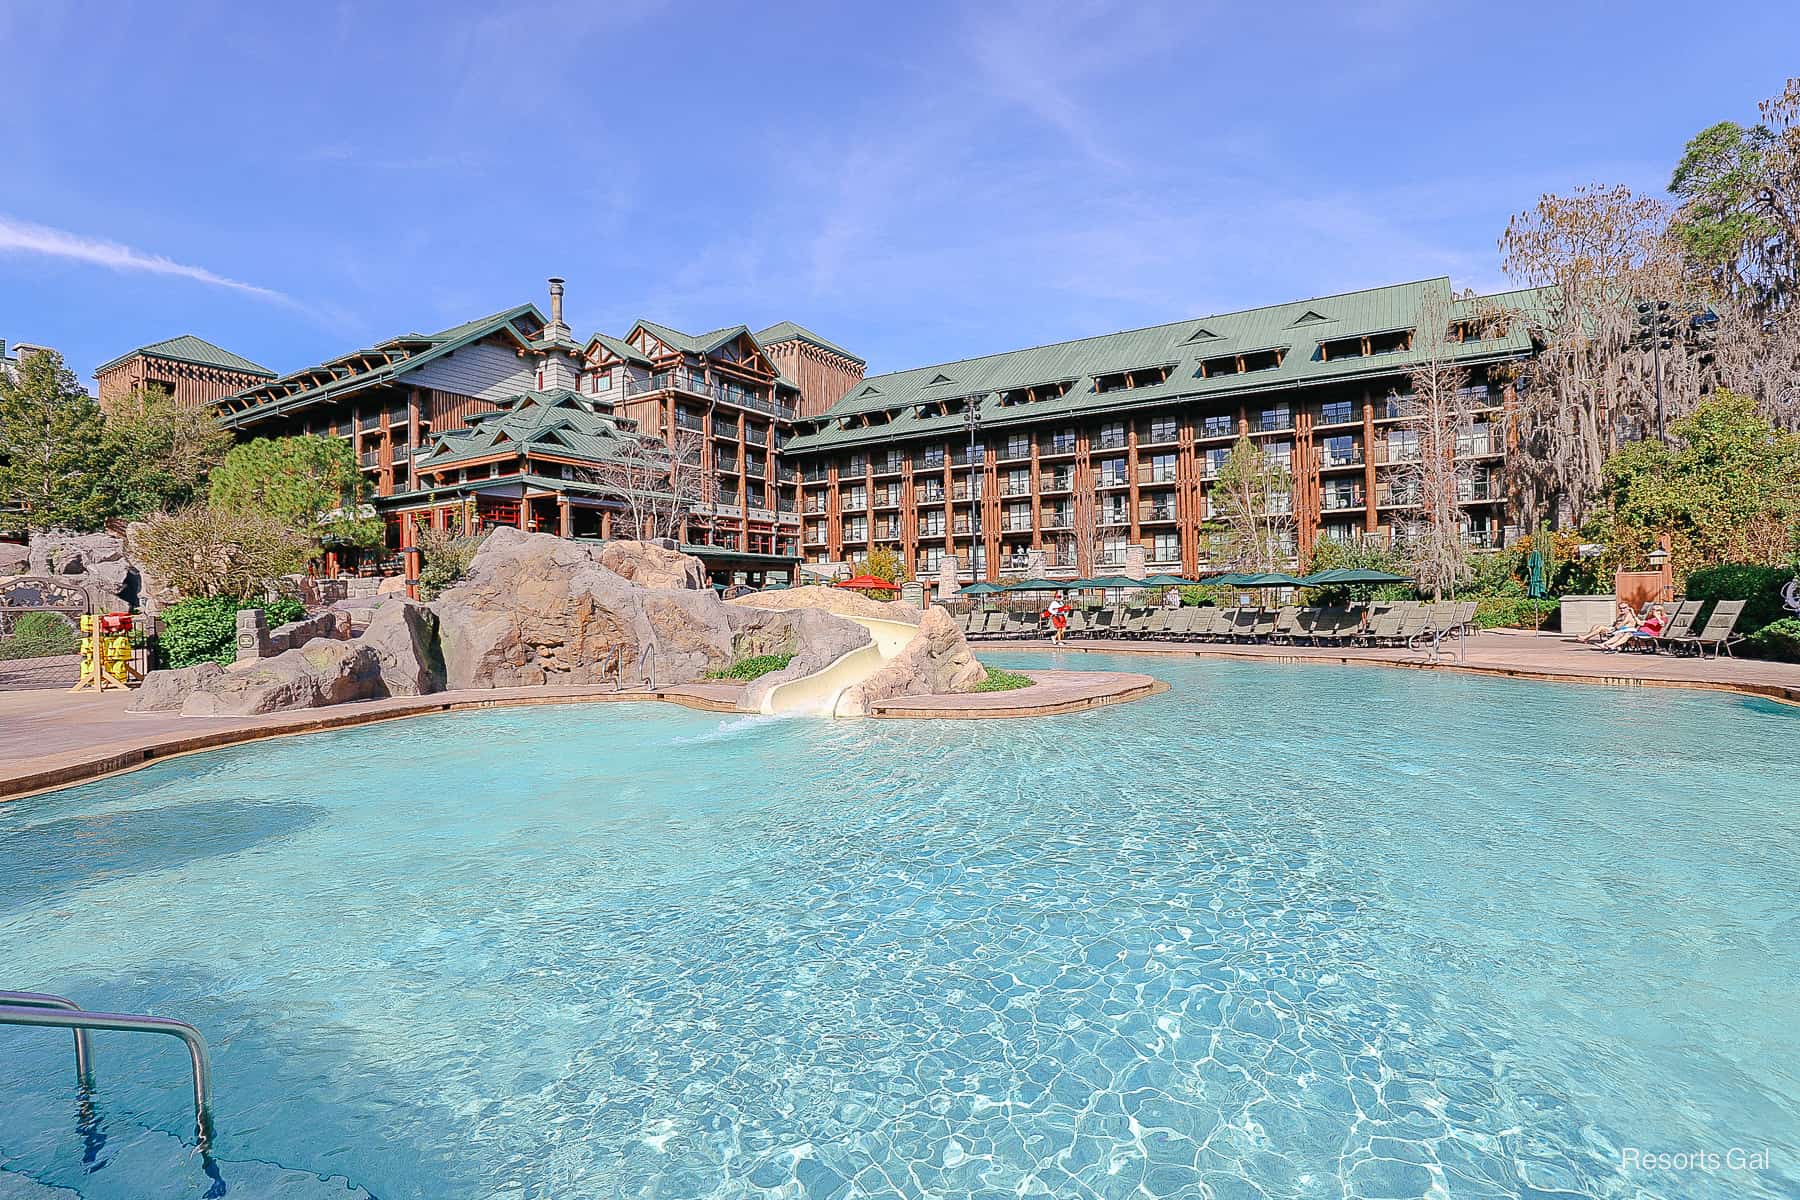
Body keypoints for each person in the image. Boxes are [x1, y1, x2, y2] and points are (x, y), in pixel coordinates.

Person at [1601, 603, 1666, 651]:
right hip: (1640, 632)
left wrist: (1657, 616)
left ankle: (1613, 646)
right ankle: (1604, 644)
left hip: (1649, 634)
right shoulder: (1651, 619)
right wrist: (1633, 613)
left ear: (1660, 611)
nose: (1653, 611)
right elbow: (1639, 623)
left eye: (1655, 610)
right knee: (1621, 633)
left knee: (1628, 634)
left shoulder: (1663, 618)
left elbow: (1662, 624)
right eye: (1653, 610)